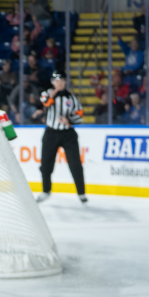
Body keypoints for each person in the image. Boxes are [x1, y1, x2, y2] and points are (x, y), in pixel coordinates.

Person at [36, 71, 86, 204]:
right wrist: (52, 94)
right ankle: (46, 190)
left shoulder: (72, 98)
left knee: (75, 164)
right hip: (51, 133)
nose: (60, 84)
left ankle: (81, 193)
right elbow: (46, 103)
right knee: (46, 165)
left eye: (62, 81)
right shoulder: (46, 93)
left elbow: (80, 115)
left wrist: (68, 120)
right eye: (57, 81)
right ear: (53, 83)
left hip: (68, 135)